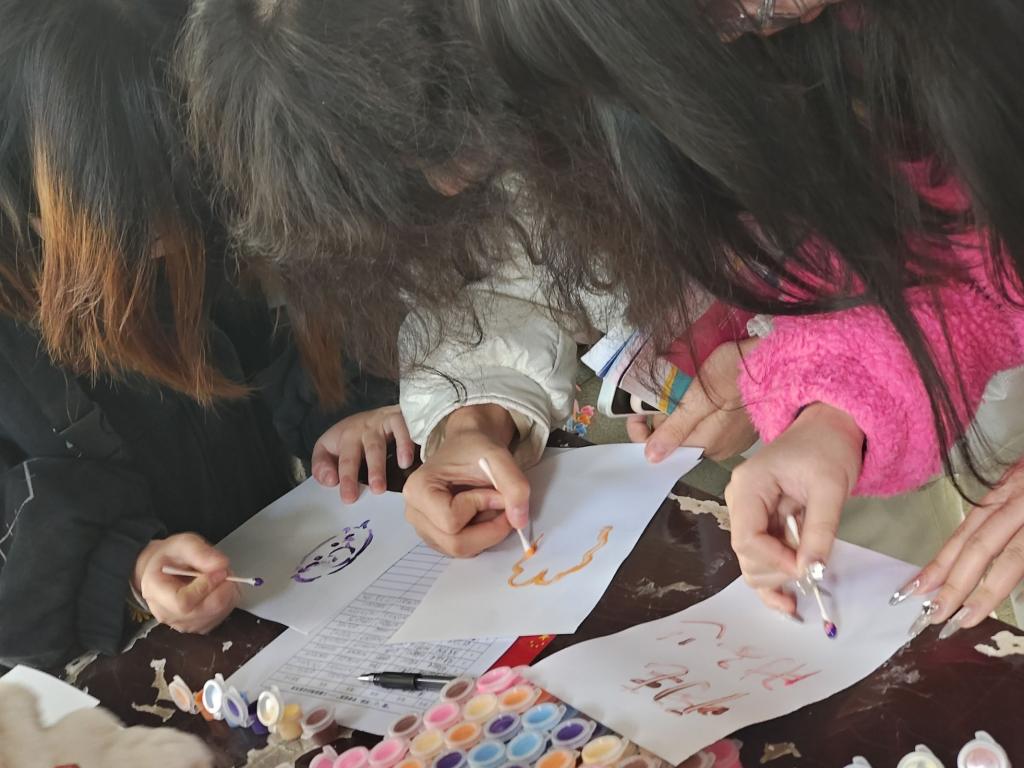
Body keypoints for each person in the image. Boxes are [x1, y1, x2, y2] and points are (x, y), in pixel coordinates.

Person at [411, 0, 1024, 633]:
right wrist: (834, 413)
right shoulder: (820, 42)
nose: (769, 17)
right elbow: (966, 267)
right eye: (730, 23)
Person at [0, 0, 396, 670]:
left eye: (185, 187)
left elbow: (286, 353)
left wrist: (348, 417)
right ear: (25, 191)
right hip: (128, 669)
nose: (170, 230)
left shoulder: (194, 215)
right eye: (133, 206)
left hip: (287, 589)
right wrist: (132, 570)